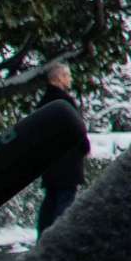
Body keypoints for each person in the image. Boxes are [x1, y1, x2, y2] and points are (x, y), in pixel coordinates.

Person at [32, 61, 84, 235]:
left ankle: (44, 238)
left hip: (51, 164)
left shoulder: (44, 102)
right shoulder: (64, 103)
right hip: (67, 165)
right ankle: (57, 239)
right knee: (64, 206)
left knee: (51, 202)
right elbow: (77, 131)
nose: (70, 79)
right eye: (67, 75)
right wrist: (85, 147)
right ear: (59, 78)